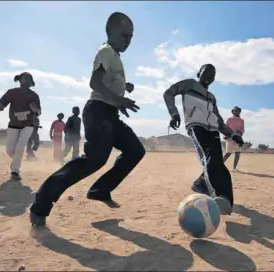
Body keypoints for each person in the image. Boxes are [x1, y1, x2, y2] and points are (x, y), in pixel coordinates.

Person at [29, 12, 144, 227]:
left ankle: (100, 190)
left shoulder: (115, 56)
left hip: (110, 114)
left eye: (130, 37)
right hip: (98, 112)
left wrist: (122, 92)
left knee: (136, 150)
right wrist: (118, 100)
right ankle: (41, 203)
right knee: (94, 160)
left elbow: (108, 82)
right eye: (124, 35)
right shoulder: (107, 51)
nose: (127, 40)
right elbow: (95, 82)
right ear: (110, 32)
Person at [163, 64, 244, 215]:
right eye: (207, 72)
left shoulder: (212, 97)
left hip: (213, 130)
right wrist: (174, 113)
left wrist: (233, 135)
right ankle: (217, 196)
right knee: (210, 159)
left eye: (213, 75)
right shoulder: (189, 85)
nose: (210, 76)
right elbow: (169, 93)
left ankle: (222, 198)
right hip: (196, 126)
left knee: (219, 164)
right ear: (199, 72)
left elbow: (219, 121)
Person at [0, 72, 41, 180]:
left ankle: (15, 171)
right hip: (13, 125)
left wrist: (35, 110)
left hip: (28, 125)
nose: (26, 81)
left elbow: (39, 112)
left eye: (29, 79)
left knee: (20, 147)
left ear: (32, 83)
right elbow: (1, 106)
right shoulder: (11, 92)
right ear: (19, 80)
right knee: (10, 150)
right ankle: (16, 159)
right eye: (24, 78)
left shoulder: (34, 96)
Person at [223, 106, 245, 172]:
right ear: (232, 111)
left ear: (239, 112)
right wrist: (226, 135)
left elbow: (243, 129)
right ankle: (219, 165)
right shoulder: (229, 119)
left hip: (238, 138)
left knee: (237, 153)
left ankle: (234, 168)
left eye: (237, 110)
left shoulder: (242, 120)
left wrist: (240, 131)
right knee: (228, 153)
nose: (235, 112)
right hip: (230, 137)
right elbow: (225, 127)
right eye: (234, 110)